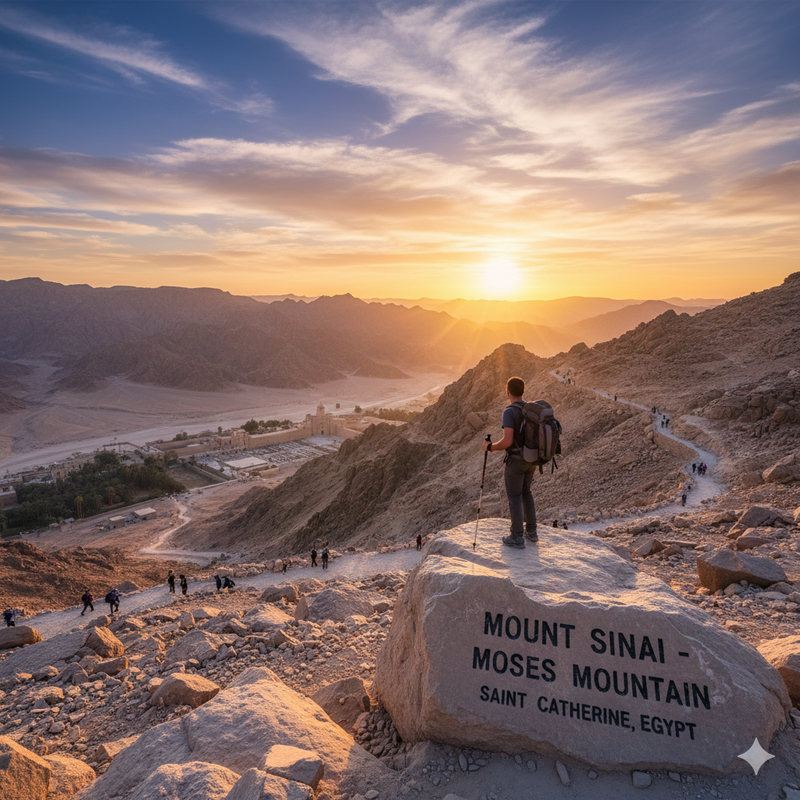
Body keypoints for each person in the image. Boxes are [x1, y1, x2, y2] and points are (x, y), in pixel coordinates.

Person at [483, 376, 538, 548]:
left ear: (507, 391)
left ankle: (516, 536)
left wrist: (490, 447)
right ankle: (532, 532)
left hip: (516, 460)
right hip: (532, 458)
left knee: (514, 496)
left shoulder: (509, 412)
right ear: (524, 390)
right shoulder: (531, 409)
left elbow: (507, 441)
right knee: (526, 492)